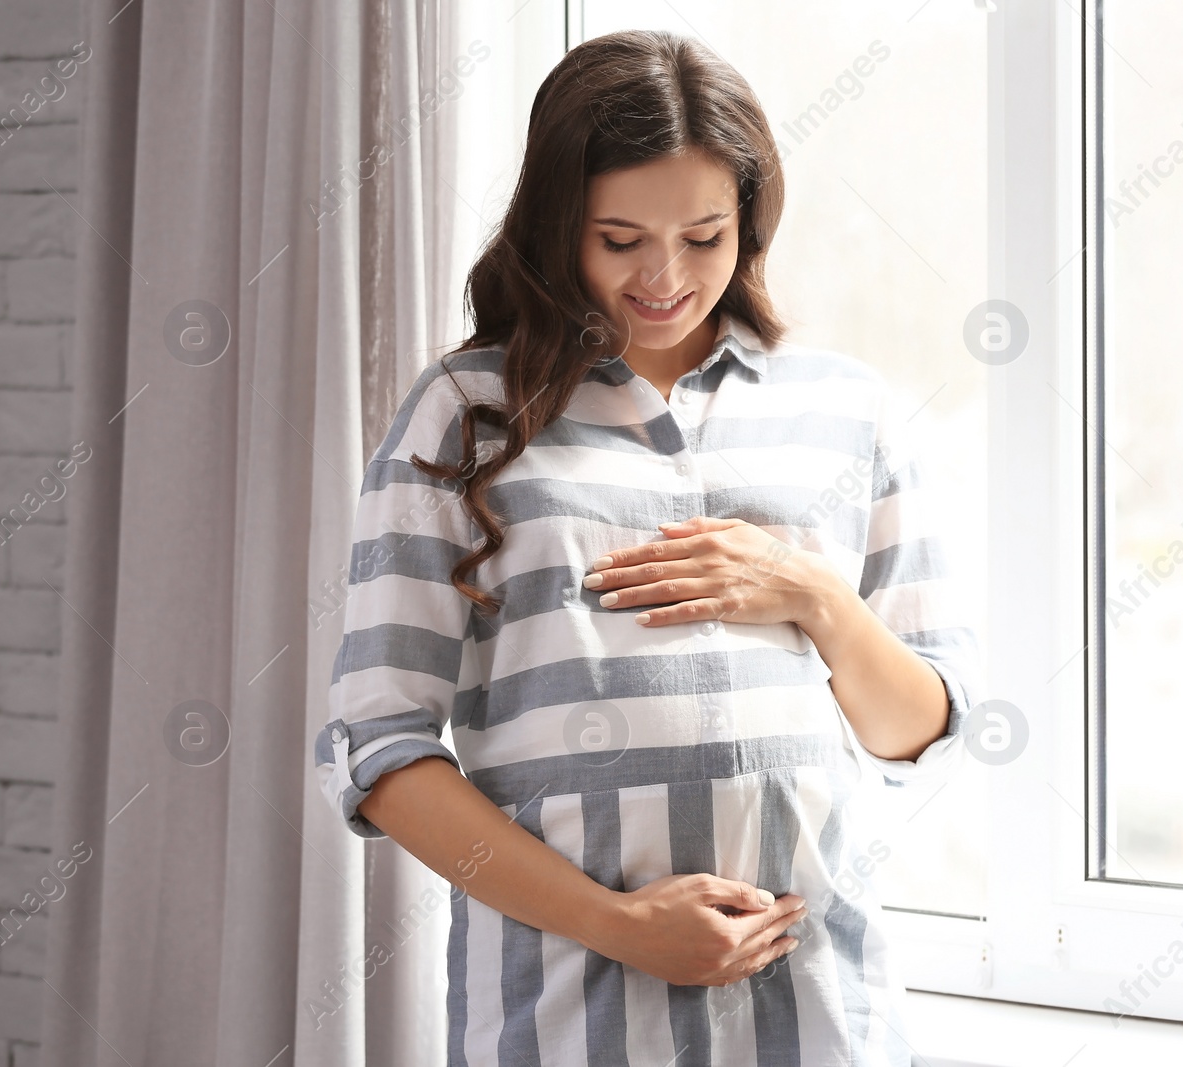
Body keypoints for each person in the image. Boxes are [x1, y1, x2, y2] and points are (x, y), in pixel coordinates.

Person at [315, 27, 981, 1067]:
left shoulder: (846, 408)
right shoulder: (467, 411)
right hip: (564, 1011)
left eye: (704, 236)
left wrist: (813, 592)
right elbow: (380, 750)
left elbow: (919, 727)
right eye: (620, 239)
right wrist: (617, 922)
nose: (664, 277)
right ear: (556, 225)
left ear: (751, 223)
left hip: (822, 1007)